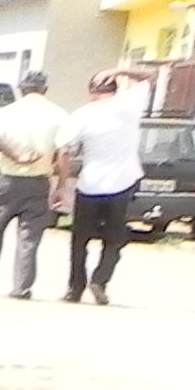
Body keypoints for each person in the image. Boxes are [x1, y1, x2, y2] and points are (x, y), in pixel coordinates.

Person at [0, 69, 70, 299]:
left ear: (21, 89)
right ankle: (21, 288)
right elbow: (64, 153)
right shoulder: (59, 114)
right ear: (45, 89)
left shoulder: (7, 112)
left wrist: (16, 156)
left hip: (7, 181)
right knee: (29, 237)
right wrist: (61, 185)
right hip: (38, 182)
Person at [63, 66, 147, 304]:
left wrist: (61, 184)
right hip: (122, 184)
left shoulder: (81, 115)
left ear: (91, 91)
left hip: (89, 185)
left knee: (80, 240)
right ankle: (100, 280)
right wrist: (120, 69)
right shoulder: (129, 105)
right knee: (114, 239)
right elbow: (146, 76)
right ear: (116, 87)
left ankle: (74, 289)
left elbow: (66, 150)